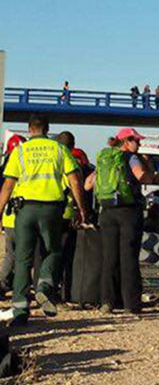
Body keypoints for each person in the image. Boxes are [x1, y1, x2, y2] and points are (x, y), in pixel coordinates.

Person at [0, 116, 89, 326]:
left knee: (22, 259)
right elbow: (75, 181)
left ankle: (20, 309)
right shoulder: (59, 149)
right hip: (51, 210)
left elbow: (8, 185)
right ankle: (44, 287)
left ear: (30, 129)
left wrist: (0, 211)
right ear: (48, 130)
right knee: (53, 251)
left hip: (24, 210)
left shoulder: (20, 151)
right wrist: (81, 209)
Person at [88, 127, 159, 314]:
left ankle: (107, 301)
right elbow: (141, 176)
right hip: (129, 212)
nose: (138, 145)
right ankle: (131, 303)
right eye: (136, 141)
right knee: (128, 257)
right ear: (126, 141)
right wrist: (156, 176)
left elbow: (88, 184)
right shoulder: (130, 158)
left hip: (106, 212)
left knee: (109, 257)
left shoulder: (105, 158)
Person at [55, 131, 93, 300]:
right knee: (66, 256)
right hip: (68, 214)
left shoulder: (51, 160)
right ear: (73, 145)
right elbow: (77, 186)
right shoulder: (71, 162)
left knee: (46, 254)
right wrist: (82, 211)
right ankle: (64, 293)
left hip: (49, 212)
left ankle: (47, 291)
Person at [0, 135, 26, 294]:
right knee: (15, 254)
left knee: (13, 253)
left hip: (10, 217)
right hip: (17, 216)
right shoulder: (19, 169)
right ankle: (3, 283)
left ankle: (11, 283)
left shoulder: (4, 170)